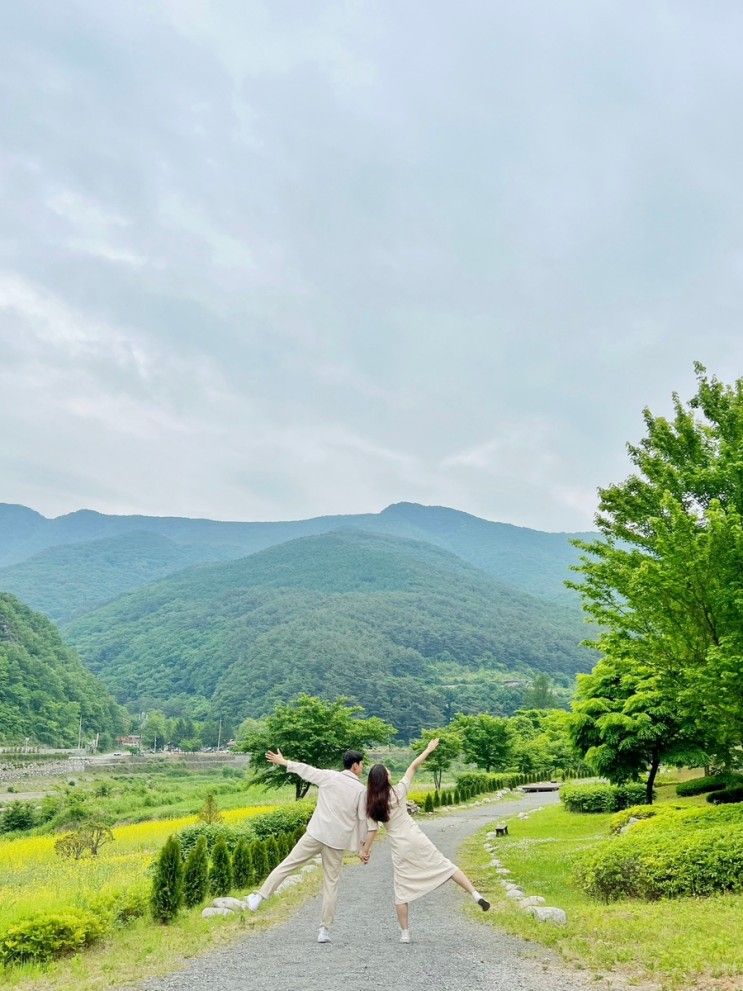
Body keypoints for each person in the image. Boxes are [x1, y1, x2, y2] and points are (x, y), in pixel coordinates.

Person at [359, 737, 490, 943]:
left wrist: (364, 851)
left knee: (401, 890)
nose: (391, 773)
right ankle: (475, 894)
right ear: (385, 778)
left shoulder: (372, 803)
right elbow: (413, 766)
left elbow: (372, 830)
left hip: (400, 846)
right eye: (388, 771)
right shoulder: (399, 791)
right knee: (446, 866)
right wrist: (428, 749)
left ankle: (405, 934)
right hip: (417, 838)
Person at [246, 747, 367, 943]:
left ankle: (259, 897)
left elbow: (306, 770)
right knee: (331, 884)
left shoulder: (330, 777)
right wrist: (362, 847)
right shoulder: (361, 791)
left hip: (317, 833)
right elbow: (362, 819)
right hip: (336, 841)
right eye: (361, 765)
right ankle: (324, 930)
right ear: (355, 766)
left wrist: (284, 762)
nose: (362, 768)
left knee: (288, 864)